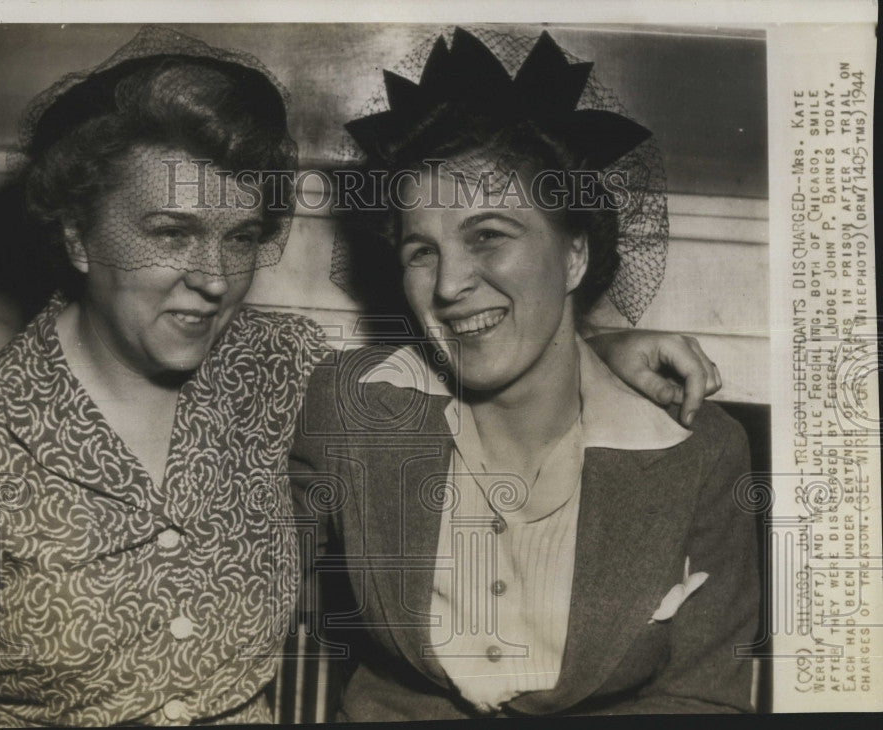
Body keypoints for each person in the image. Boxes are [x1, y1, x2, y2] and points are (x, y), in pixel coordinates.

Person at [0, 26, 722, 727]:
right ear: (77, 236)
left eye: (242, 235)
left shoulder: (281, 371)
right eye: (172, 232)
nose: (214, 276)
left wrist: (599, 346)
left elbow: (476, 362)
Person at [289, 28, 759, 719]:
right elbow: (245, 574)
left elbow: (700, 697)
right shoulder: (353, 407)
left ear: (573, 257)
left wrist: (595, 352)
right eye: (422, 251)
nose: (449, 285)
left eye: (488, 236)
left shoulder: (700, 454)